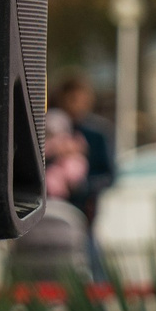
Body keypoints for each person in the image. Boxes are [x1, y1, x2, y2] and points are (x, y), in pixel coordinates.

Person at [55, 74, 117, 226]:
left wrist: (83, 186)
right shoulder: (52, 128)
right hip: (54, 206)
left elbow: (108, 175)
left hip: (85, 210)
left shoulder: (97, 133)